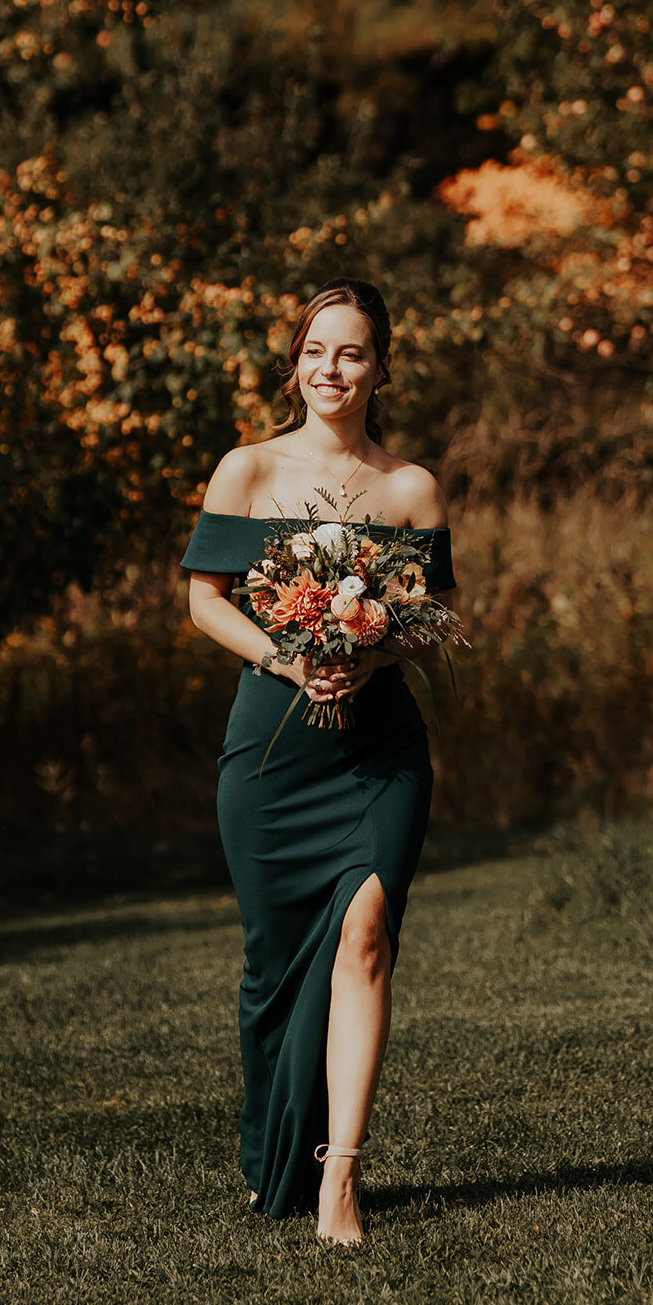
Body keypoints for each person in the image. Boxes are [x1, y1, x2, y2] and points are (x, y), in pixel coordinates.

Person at [179, 277, 455, 1244]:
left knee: (368, 931)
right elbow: (203, 598)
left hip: (378, 748)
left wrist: (372, 646)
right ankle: (276, 1153)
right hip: (271, 749)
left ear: (380, 368)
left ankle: (341, 1177)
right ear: (294, 364)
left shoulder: (411, 487)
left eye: (351, 353)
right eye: (314, 352)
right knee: (272, 967)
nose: (330, 370)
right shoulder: (246, 471)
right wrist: (286, 655)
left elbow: (428, 622)